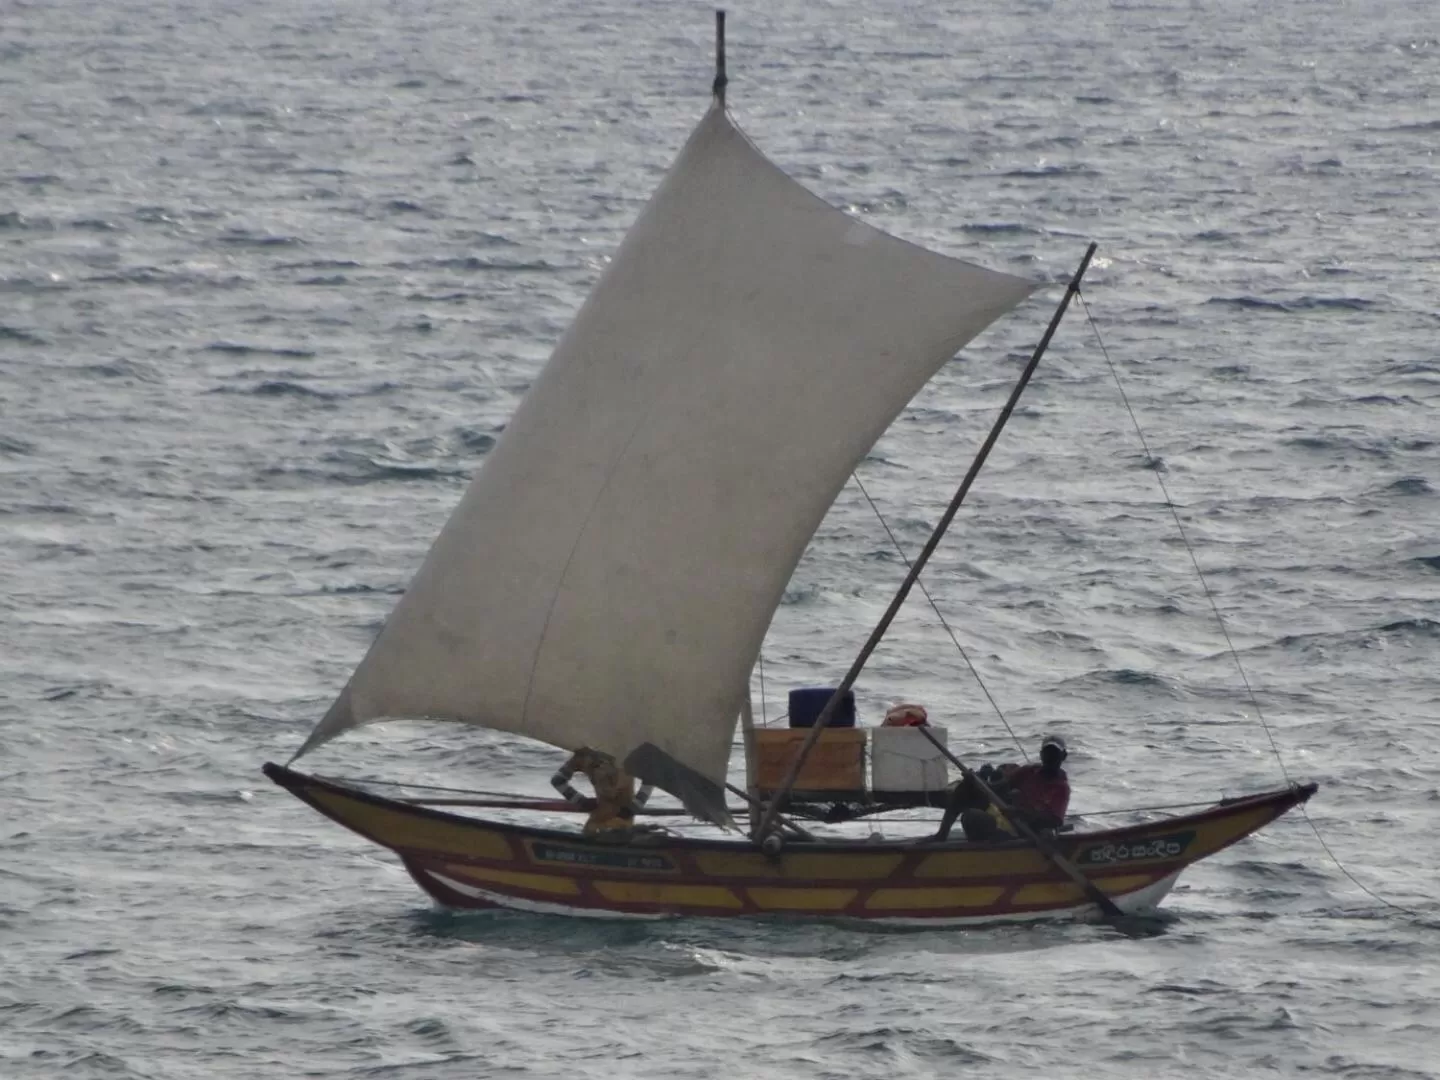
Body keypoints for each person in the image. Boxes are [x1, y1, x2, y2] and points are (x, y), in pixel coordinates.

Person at [931, 734, 1070, 842]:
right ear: (1041, 755)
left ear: (1063, 756)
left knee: (972, 818)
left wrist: (1020, 813)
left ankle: (991, 850)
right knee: (966, 787)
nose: (1051, 757)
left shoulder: (1061, 787)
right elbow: (996, 788)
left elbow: (1055, 820)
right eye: (1048, 753)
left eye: (1055, 754)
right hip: (1006, 820)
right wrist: (976, 781)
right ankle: (941, 835)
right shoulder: (1029, 771)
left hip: (1025, 833)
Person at [550, 746, 655, 838]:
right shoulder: (589, 763)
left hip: (616, 830)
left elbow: (651, 778)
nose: (608, 785)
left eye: (611, 780)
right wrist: (582, 801)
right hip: (597, 829)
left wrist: (634, 807)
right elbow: (557, 781)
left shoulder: (624, 766)